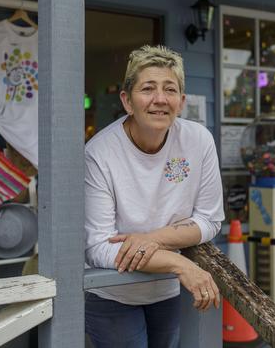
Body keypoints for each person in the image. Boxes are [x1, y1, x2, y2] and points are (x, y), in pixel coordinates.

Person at [84, 45, 225, 348]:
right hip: (112, 293)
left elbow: (210, 219)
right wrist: (182, 265)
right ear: (127, 100)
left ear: (181, 101)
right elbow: (97, 247)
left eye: (170, 89)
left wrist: (153, 239)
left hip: (166, 291)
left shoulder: (198, 141)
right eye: (148, 88)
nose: (160, 99)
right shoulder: (99, 153)